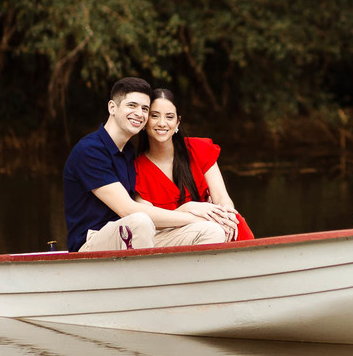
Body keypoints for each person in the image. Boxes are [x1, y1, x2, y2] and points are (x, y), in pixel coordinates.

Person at [63, 77, 233, 252]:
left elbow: (140, 208)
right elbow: (128, 210)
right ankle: (147, 270)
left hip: (130, 235)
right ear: (112, 107)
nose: (139, 113)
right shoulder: (90, 151)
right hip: (91, 243)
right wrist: (192, 215)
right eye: (132, 105)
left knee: (211, 230)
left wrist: (206, 219)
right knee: (140, 221)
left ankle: (184, 272)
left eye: (144, 108)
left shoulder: (127, 151)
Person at [135, 88, 254, 241]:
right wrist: (186, 209)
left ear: (177, 122)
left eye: (169, 117)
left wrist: (227, 215)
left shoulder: (198, 149)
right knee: (213, 230)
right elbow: (148, 222)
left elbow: (221, 197)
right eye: (155, 116)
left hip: (215, 227)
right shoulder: (136, 168)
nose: (162, 123)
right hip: (173, 239)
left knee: (234, 221)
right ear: (145, 121)